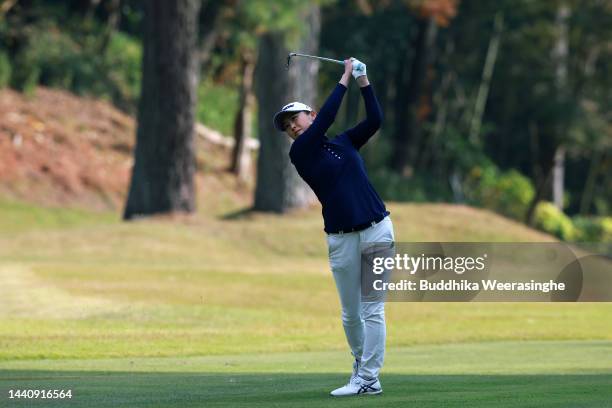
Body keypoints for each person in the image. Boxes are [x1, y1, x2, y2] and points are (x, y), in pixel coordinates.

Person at [273, 58, 395, 396]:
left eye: (293, 119)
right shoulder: (301, 153)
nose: (291, 128)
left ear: (308, 114)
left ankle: (369, 378)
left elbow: (375, 120)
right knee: (350, 314)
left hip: (377, 230)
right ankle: (361, 366)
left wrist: (363, 81)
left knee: (373, 308)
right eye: (286, 127)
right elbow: (327, 117)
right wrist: (344, 77)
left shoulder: (344, 142)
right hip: (341, 239)